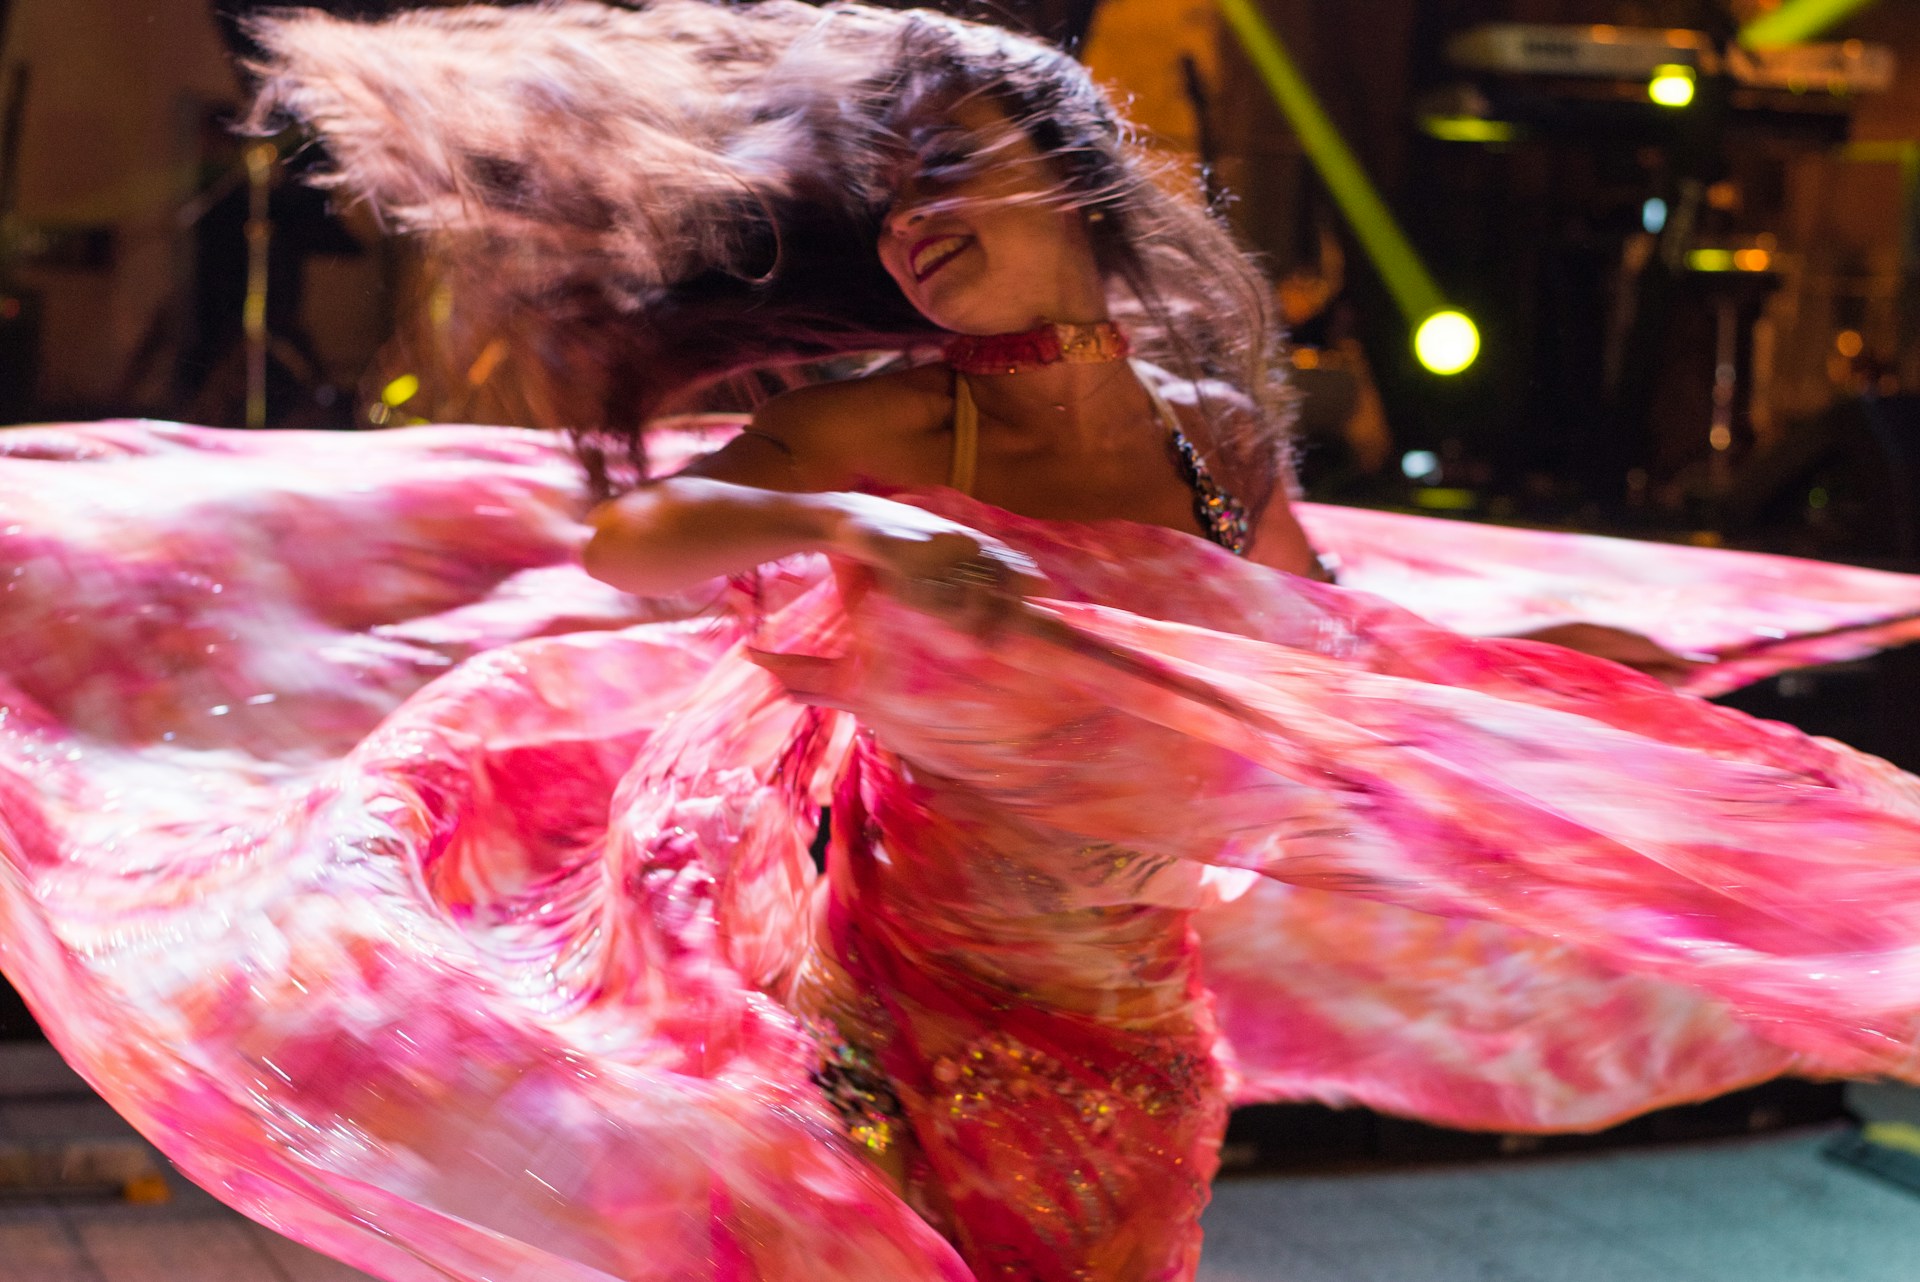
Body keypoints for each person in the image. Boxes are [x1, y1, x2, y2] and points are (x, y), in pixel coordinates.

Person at [3, 5, 1917, 1282]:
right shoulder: (899, 421)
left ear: (1075, 197)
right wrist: (854, 524)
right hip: (876, 996)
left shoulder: (1207, 435)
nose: (923, 227)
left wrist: (1544, 671)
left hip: (1115, 998)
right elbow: (643, 526)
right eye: (900, 193)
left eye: (965, 181)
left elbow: (1297, 641)